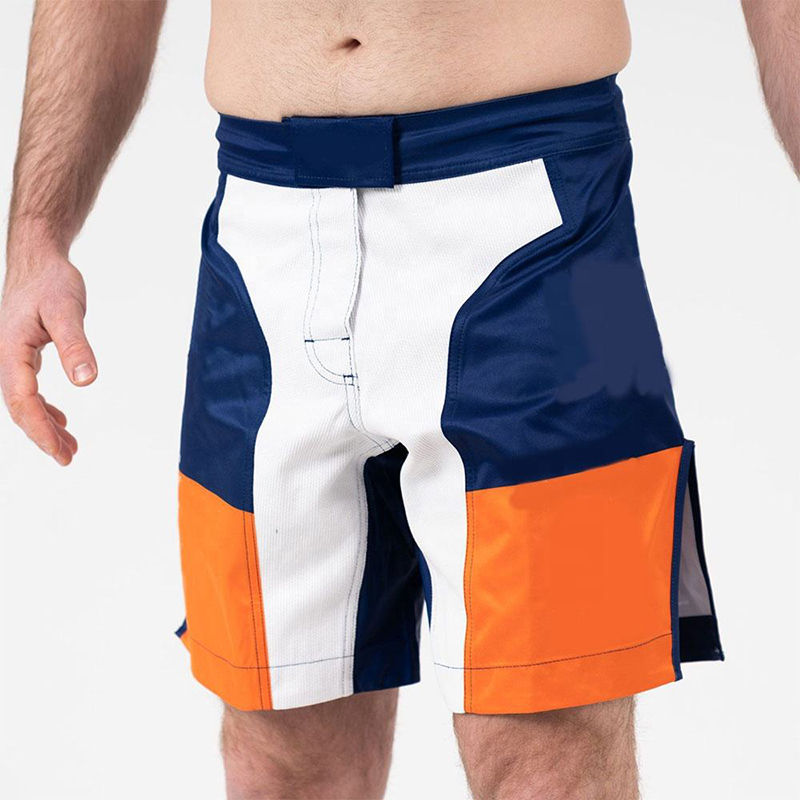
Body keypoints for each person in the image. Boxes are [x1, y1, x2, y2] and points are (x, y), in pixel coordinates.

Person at [0, 2, 795, 798]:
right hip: (260, 241)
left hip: (529, 217)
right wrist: (37, 231)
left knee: (548, 759)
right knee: (278, 762)